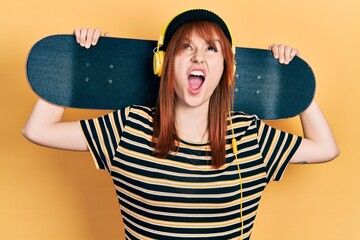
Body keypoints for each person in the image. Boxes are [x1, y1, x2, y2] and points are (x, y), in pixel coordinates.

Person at [23, 9, 339, 240]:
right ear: (164, 63)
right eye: (186, 47)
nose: (198, 57)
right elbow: (38, 130)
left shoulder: (250, 135)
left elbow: (326, 148)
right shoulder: (128, 127)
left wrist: (297, 82)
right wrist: (78, 63)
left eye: (211, 49)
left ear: (227, 69)